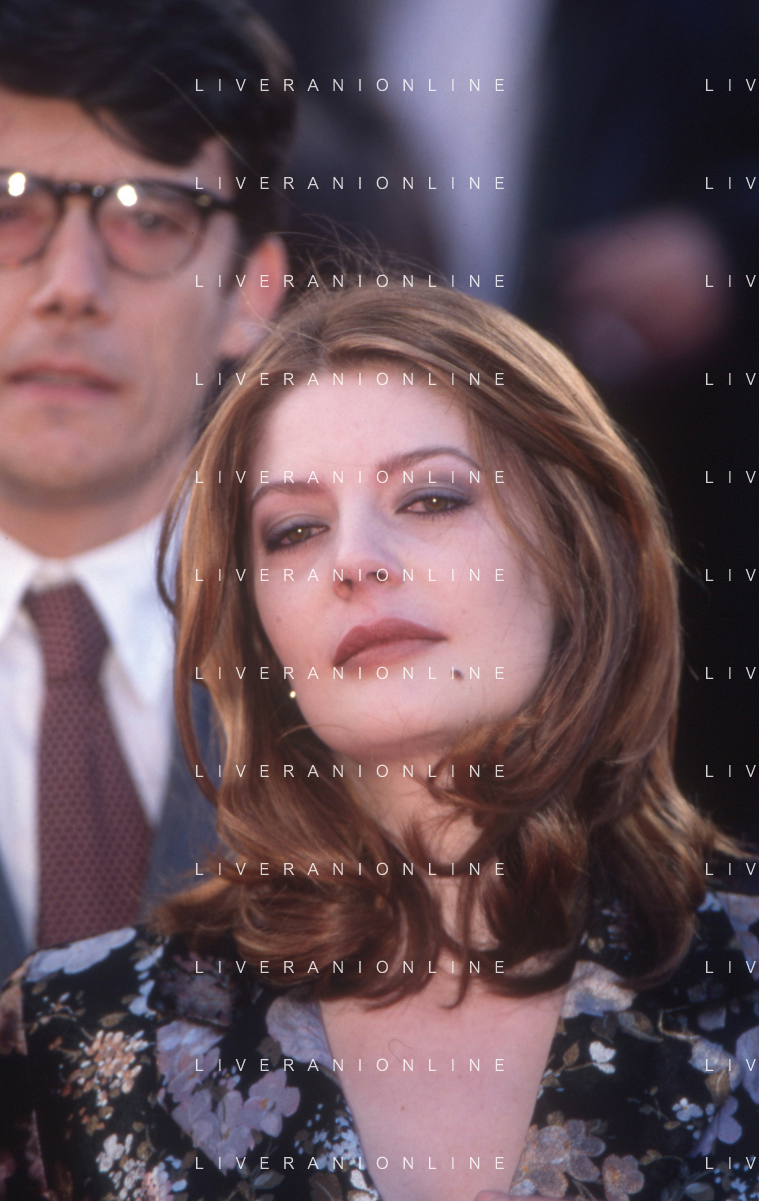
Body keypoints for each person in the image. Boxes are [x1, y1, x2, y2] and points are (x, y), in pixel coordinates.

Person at [1, 280, 758, 1201]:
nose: (354, 560)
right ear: (257, 630)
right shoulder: (68, 1039)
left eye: (431, 498)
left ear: (578, 551)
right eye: (295, 530)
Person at [0, 0, 294, 983]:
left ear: (251, 292)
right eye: (8, 207)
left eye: (149, 218)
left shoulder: (373, 652)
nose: (71, 285)